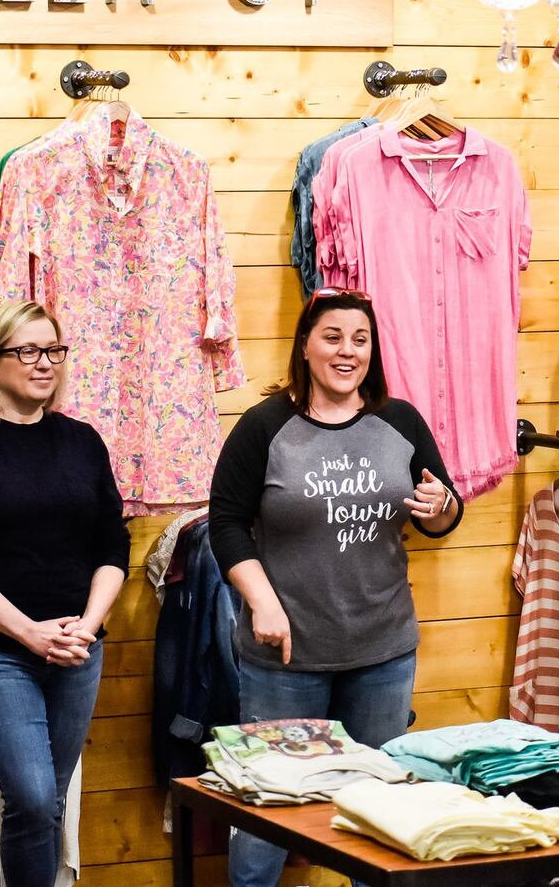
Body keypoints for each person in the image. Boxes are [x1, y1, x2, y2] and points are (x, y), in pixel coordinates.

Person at [209, 288, 463, 887]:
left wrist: (441, 506)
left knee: (378, 813)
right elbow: (225, 521)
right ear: (305, 346)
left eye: (360, 339)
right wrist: (262, 601)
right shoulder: (265, 426)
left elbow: (443, 513)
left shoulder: (399, 422)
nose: (347, 351)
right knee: (266, 812)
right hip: (284, 657)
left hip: (382, 653)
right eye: (332, 337)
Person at [0, 301, 130, 887]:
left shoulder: (84, 442)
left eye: (54, 351)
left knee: (50, 802)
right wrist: (29, 632)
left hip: (77, 649)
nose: (46, 364)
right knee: (34, 800)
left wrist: (86, 626)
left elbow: (113, 549)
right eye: (29, 351)